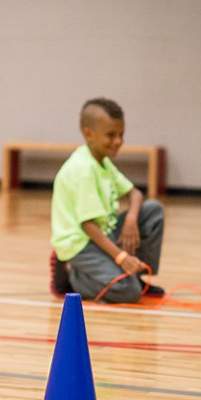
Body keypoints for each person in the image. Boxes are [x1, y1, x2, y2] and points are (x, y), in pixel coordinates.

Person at [49, 97, 164, 304]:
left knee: (153, 210)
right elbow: (89, 226)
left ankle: (137, 275)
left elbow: (135, 194)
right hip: (81, 243)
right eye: (111, 135)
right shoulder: (83, 169)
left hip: (104, 233)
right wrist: (121, 257)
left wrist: (131, 219)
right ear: (88, 134)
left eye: (121, 134)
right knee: (129, 293)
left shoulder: (102, 161)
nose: (118, 141)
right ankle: (71, 275)